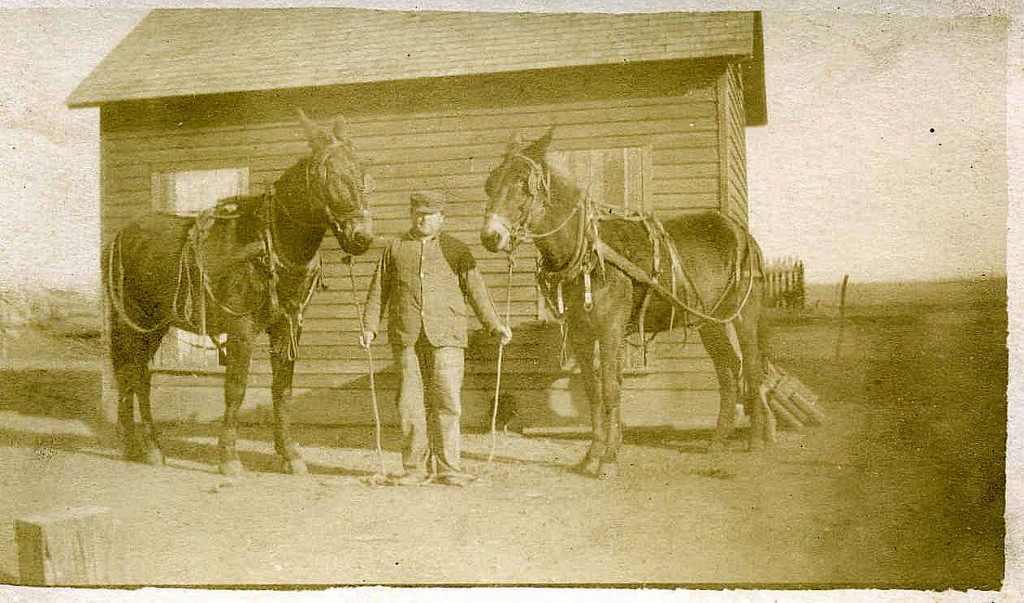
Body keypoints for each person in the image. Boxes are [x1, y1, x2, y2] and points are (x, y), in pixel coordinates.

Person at [361, 190, 512, 486]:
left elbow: (477, 291)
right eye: (417, 213)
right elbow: (379, 291)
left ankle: (448, 468)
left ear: (442, 218)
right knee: (410, 403)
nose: (422, 219)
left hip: (448, 337)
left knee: (447, 401)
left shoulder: (456, 250)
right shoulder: (394, 249)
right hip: (407, 336)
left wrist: (495, 326)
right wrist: (369, 326)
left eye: (428, 215)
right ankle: (414, 468)